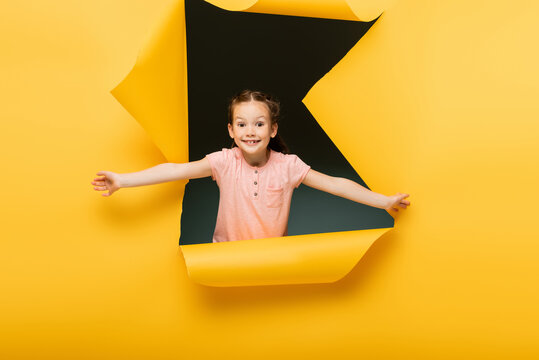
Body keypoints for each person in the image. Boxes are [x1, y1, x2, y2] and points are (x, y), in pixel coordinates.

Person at [92, 90, 410, 243]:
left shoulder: (288, 166)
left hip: (271, 259)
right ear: (231, 131)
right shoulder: (223, 162)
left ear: (272, 130)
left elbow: (334, 184)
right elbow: (173, 170)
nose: (250, 131)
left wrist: (383, 201)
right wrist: (123, 179)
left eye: (259, 124)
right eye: (242, 124)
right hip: (224, 258)